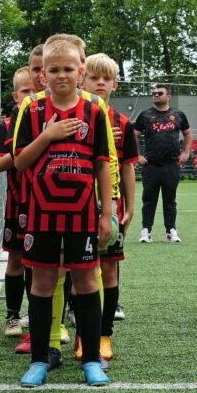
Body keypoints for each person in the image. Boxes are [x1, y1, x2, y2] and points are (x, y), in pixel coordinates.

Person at [13, 37, 114, 388]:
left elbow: (103, 164)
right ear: (42, 75)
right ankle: (39, 358)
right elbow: (19, 161)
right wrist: (48, 135)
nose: (60, 75)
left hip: (82, 213)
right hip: (40, 212)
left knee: (86, 282)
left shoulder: (95, 109)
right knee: (42, 282)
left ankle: (91, 360)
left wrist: (107, 212)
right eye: (53, 70)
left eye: (68, 69)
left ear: (80, 71)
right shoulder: (32, 109)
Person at [82, 53, 138, 360]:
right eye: (94, 77)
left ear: (115, 84)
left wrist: (129, 207)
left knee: (108, 268)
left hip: (109, 206)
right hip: (76, 205)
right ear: (83, 79)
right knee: (80, 270)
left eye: (106, 78)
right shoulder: (76, 116)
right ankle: (81, 333)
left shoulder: (123, 123)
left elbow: (128, 167)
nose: (100, 83)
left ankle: (104, 334)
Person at [0, 66, 35, 338]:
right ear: (16, 96)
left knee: (41, 262)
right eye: (26, 91)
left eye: (36, 90)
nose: (32, 96)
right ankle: (12, 316)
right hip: (18, 203)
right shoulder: (8, 125)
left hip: (43, 204)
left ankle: (38, 312)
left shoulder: (47, 122)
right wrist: (21, 154)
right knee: (16, 259)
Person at [134, 84, 192, 244]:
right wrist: (138, 155)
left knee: (170, 199)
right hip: (151, 165)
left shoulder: (178, 115)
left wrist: (186, 152)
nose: (156, 95)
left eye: (160, 93)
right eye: (154, 93)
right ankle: (146, 231)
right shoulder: (145, 115)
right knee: (149, 199)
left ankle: (171, 230)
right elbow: (135, 135)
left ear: (168, 96)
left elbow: (187, 133)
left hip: (171, 165)